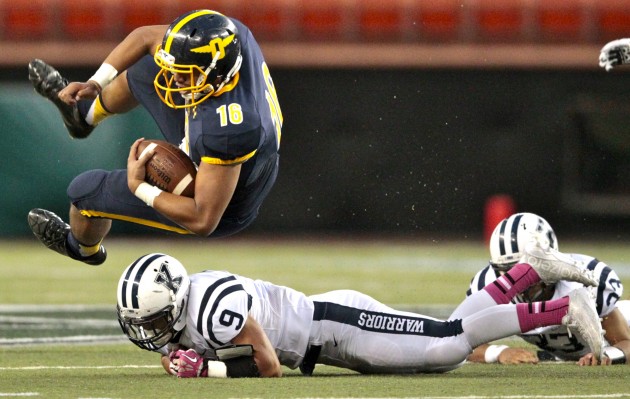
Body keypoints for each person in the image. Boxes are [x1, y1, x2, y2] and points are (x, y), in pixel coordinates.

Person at [116, 236, 605, 378]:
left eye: (154, 318)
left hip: (335, 327)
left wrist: (206, 373)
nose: (152, 329)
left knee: (450, 347)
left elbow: (267, 366)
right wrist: (180, 359)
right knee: (449, 333)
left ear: (177, 301)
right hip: (325, 336)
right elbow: (174, 349)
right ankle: (530, 271)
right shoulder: (185, 310)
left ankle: (559, 311)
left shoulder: (211, 308)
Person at [27, 9, 283, 265]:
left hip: (222, 202)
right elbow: (144, 37)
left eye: (186, 73)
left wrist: (141, 188)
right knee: (146, 70)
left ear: (217, 72)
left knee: (85, 192)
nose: (175, 78)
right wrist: (96, 82)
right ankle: (83, 116)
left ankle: (81, 248)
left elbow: (203, 219)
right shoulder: (229, 39)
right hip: (220, 133)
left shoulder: (230, 127)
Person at [465, 212, 630, 366]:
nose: (516, 279)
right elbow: (462, 342)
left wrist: (608, 355)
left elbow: (625, 342)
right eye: (508, 270)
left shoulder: (587, 282)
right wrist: (499, 352)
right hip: (568, 355)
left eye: (522, 269)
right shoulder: (489, 286)